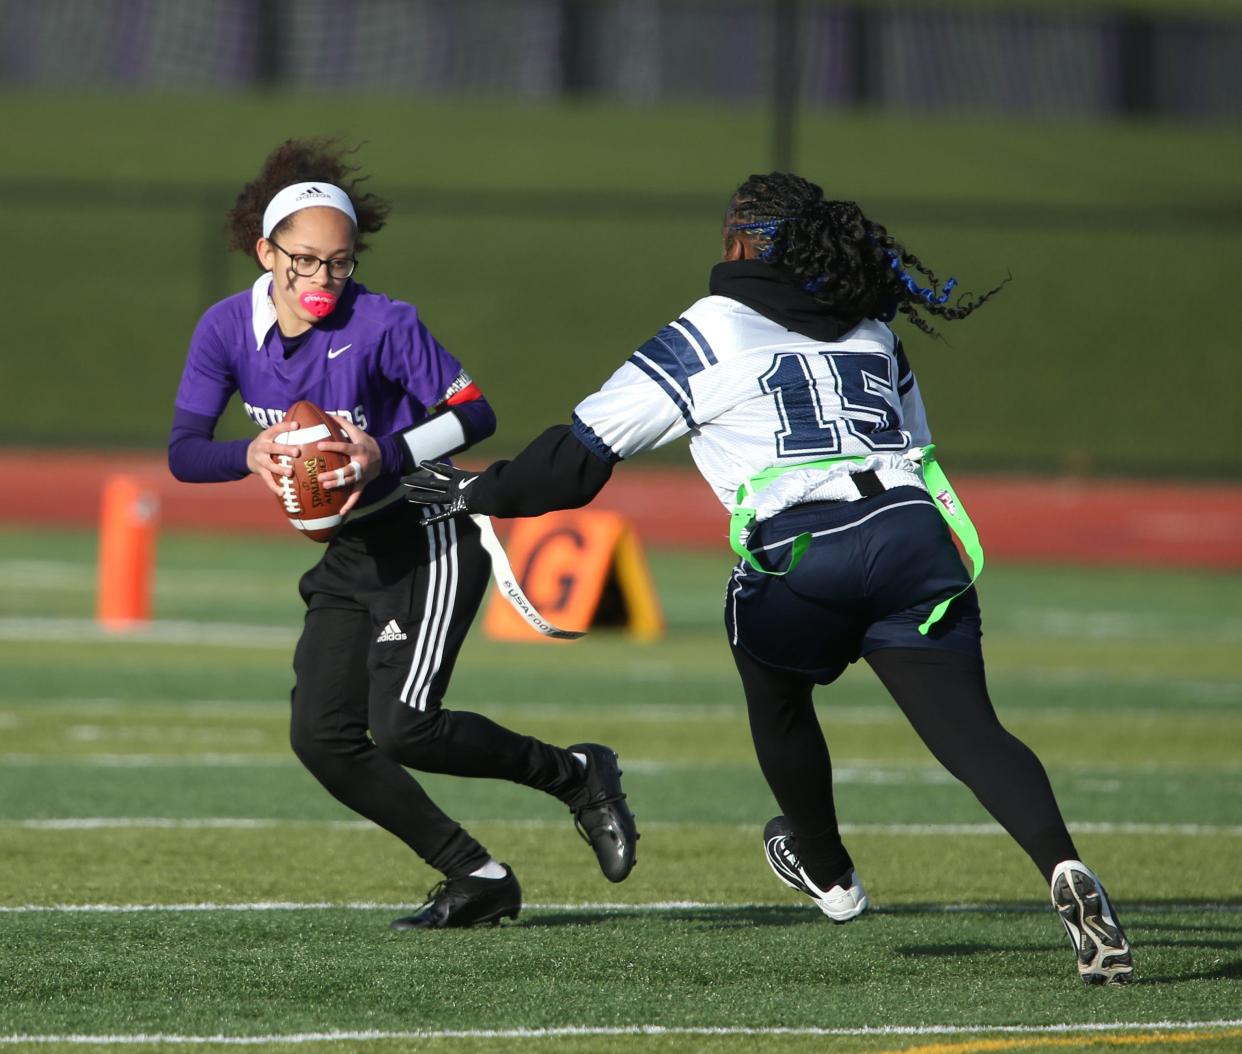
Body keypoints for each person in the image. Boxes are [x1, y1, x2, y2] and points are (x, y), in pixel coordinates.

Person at [404, 172, 1134, 984]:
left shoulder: (712, 327)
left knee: (774, 687)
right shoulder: (873, 330)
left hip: (804, 547)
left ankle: (825, 867)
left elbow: (576, 464)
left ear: (743, 242)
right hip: (913, 539)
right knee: (974, 734)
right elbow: (914, 452)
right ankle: (1063, 866)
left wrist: (479, 488)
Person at [167, 138, 638, 930]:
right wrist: (246, 452)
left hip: (427, 528)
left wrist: (386, 449)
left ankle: (576, 774)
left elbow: (475, 413)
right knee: (322, 738)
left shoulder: (385, 323)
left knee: (404, 725)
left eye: (339, 263)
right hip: (352, 553)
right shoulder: (224, 329)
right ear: (265, 251)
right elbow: (184, 451)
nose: (321, 279)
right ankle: (476, 875)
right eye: (304, 261)